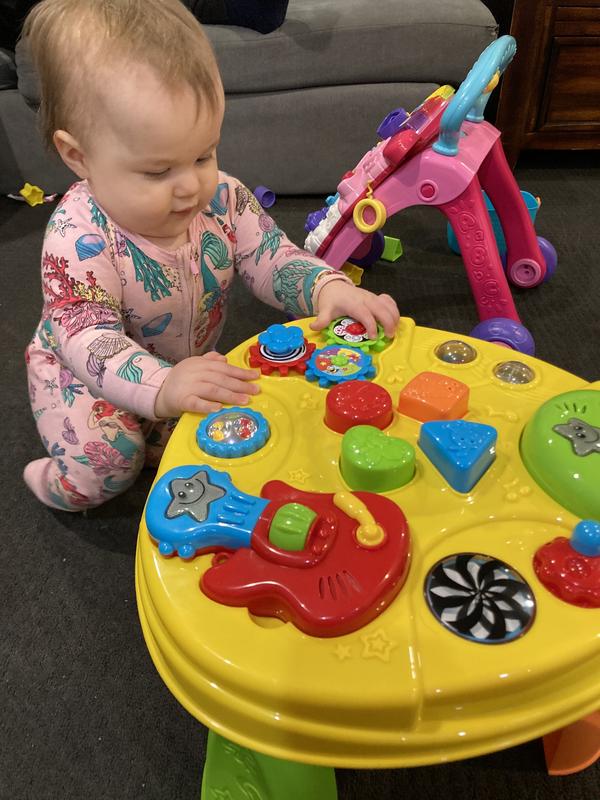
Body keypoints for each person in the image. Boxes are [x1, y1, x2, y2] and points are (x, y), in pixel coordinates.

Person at [22, 0, 399, 512]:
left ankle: (159, 420)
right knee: (110, 462)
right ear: (79, 156)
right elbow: (91, 341)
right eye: (158, 172)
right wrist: (162, 384)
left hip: (178, 368)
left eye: (203, 155)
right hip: (83, 373)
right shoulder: (75, 237)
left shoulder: (222, 198)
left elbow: (272, 258)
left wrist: (327, 287)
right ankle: (54, 482)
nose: (190, 188)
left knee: (228, 420)